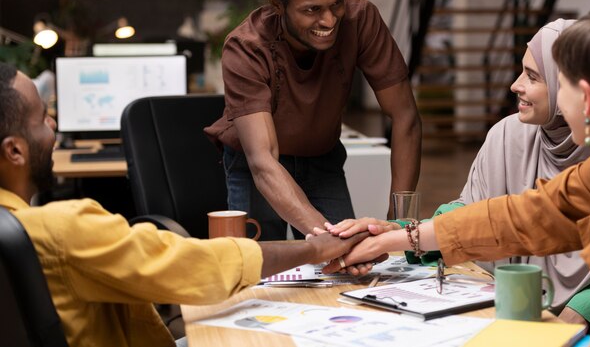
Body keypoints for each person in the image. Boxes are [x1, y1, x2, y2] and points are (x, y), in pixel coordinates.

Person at [0, 62, 369, 347]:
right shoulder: (63, 228)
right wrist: (314, 247)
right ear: (14, 150)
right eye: (41, 117)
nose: (52, 122)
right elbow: (202, 264)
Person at [324, 7, 590, 346]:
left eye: (561, 83)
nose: (515, 86)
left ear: (588, 97)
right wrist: (392, 237)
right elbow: (521, 216)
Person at [204, 0, 421, 241]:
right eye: (312, 10)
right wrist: (330, 239)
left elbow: (405, 117)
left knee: (343, 268)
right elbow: (264, 160)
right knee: (262, 270)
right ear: (277, 4)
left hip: (322, 158)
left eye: (337, 3)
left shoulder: (360, 19)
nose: (330, 20)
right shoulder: (246, 46)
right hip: (259, 168)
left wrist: (399, 222)